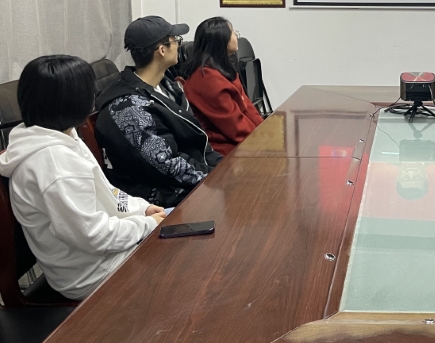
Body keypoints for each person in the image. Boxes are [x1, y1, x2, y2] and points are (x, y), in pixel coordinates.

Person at [0, 55, 165, 300]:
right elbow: (94, 235)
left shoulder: (59, 135)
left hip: (106, 255)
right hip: (93, 275)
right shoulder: (54, 164)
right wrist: (146, 225)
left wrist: (142, 209)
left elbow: (107, 193)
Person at [95, 16, 222, 207]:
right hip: (163, 199)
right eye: (175, 40)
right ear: (162, 50)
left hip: (193, 180)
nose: (179, 45)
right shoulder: (128, 108)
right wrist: (217, 176)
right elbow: (167, 164)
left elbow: (194, 140)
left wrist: (223, 165)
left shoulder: (165, 84)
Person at [181, 18, 263, 156]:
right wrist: (262, 142)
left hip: (242, 142)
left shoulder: (222, 70)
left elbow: (248, 108)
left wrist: (264, 131)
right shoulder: (207, 79)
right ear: (221, 41)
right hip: (225, 150)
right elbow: (235, 126)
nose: (236, 35)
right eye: (232, 32)